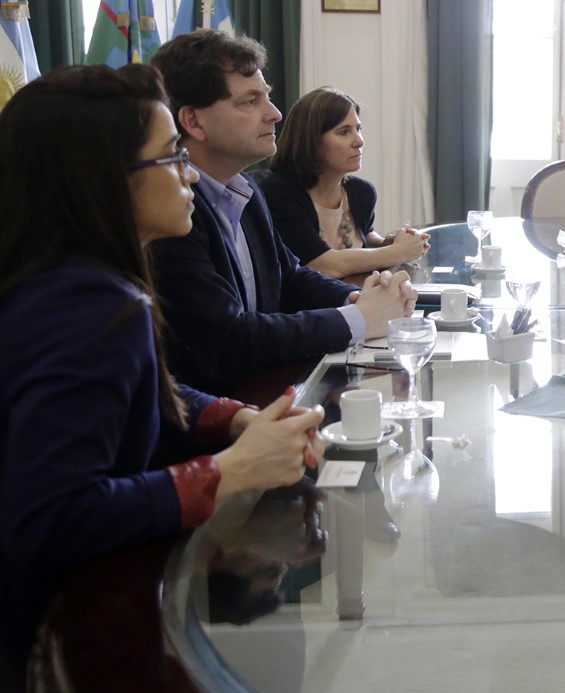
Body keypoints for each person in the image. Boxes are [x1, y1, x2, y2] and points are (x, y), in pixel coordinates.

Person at [0, 65, 325, 681]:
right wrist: (229, 472)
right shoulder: (89, 309)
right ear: (102, 180)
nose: (189, 174)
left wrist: (235, 419)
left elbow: (139, 390)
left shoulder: (61, 276)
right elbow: (45, 520)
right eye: (172, 156)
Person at [148, 31, 416, 394]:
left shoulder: (246, 188)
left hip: (264, 390)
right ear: (194, 122)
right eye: (251, 101)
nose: (274, 114)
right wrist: (358, 319)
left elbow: (288, 276)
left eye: (268, 97)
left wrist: (356, 298)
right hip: (217, 409)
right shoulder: (170, 211)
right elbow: (227, 340)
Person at [256, 87, 430, 280]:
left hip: (355, 294)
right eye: (344, 132)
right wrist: (399, 251)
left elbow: (363, 236)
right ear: (310, 139)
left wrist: (385, 243)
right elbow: (323, 265)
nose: (359, 141)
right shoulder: (278, 193)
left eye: (358, 129)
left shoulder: (361, 191)